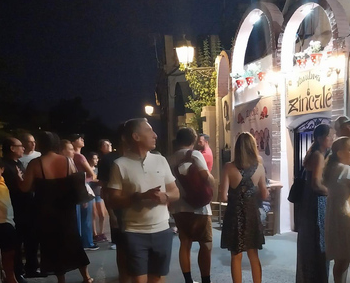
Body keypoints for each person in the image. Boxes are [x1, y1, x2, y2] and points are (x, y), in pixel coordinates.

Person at [107, 118, 180, 283]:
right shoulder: (120, 165)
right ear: (136, 136)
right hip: (134, 232)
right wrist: (139, 196)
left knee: (157, 278)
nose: (155, 135)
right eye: (149, 131)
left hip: (162, 230)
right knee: (139, 280)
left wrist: (165, 197)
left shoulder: (160, 160)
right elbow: (114, 200)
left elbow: (175, 191)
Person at [19, 132, 92, 283]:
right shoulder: (67, 161)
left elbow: (25, 188)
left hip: (45, 210)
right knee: (73, 242)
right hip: (66, 209)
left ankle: (61, 280)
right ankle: (86, 276)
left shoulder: (35, 163)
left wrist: (20, 178)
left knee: (52, 245)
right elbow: (75, 183)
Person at [220, 132, 268, 283]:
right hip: (252, 213)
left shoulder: (228, 167)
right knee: (253, 254)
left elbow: (222, 196)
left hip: (234, 215)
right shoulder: (259, 167)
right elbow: (265, 194)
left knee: (236, 255)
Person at [169, 128, 215, 283]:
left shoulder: (169, 159)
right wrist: (213, 182)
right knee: (206, 244)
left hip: (178, 207)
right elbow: (205, 177)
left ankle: (188, 280)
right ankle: (205, 280)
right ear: (193, 140)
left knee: (185, 243)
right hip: (199, 208)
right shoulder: (194, 155)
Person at [323, 137, 350, 283]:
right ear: (340, 153)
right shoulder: (348, 171)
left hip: (336, 218)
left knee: (340, 261)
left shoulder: (332, 168)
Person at [296, 124, 334, 283]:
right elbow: (316, 184)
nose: (332, 139)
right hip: (317, 204)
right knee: (319, 244)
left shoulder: (314, 153)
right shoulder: (318, 155)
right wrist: (332, 193)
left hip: (308, 203)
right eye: (330, 136)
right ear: (320, 138)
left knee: (310, 245)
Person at [1, 137, 39, 282]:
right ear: (11, 148)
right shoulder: (3, 165)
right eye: (20, 146)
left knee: (32, 238)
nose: (23, 148)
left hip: (28, 207)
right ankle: (17, 273)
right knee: (16, 243)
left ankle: (32, 268)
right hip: (15, 208)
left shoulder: (19, 163)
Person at [98, 125, 129, 283]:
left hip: (138, 211)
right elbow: (105, 190)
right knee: (122, 248)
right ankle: (123, 277)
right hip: (118, 211)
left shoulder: (139, 156)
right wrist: (111, 214)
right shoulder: (109, 160)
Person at [69, 134, 99, 251]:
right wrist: (85, 179)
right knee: (86, 217)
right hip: (83, 188)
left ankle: (79, 243)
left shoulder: (68, 157)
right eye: (79, 138)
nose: (82, 140)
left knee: (77, 218)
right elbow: (92, 174)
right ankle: (87, 242)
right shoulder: (80, 157)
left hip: (73, 187)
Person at [0, 156, 19, 283]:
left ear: (2, 169)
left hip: (7, 225)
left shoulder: (3, 184)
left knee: (9, 256)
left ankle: (10, 279)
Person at [87, 152, 107, 243]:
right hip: (91, 194)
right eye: (95, 158)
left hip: (98, 193)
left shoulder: (97, 169)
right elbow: (89, 180)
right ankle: (95, 233)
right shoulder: (87, 170)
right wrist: (95, 180)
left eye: (97, 158)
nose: (96, 160)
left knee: (102, 214)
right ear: (90, 159)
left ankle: (101, 232)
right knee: (94, 214)